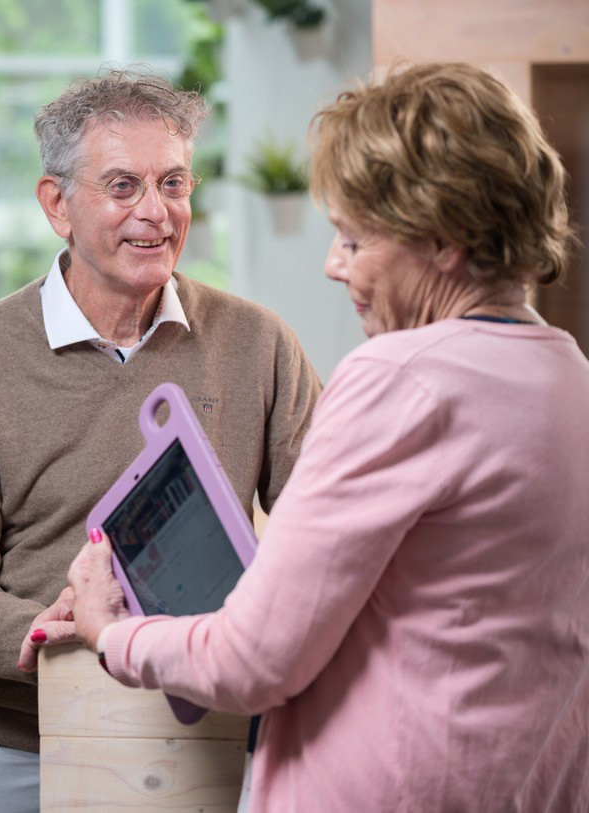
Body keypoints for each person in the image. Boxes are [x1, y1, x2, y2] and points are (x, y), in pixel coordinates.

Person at [30, 63, 589, 812]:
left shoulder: (399, 376)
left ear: (446, 239)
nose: (334, 265)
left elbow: (253, 658)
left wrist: (110, 634)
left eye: (355, 239)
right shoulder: (569, 376)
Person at [0, 70, 321, 812]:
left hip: (210, 728)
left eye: (175, 184)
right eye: (123, 186)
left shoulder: (259, 341)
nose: (156, 212)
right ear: (56, 204)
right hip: (23, 739)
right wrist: (50, 629)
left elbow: (325, 528)